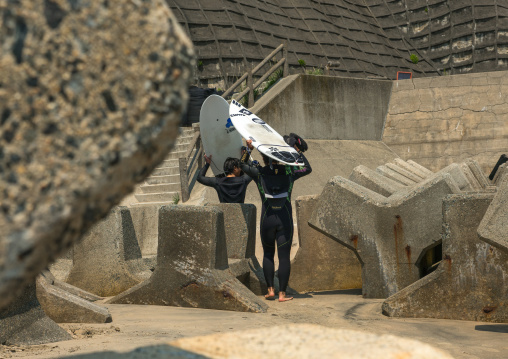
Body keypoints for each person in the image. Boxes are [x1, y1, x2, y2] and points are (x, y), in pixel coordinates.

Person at [239, 138, 312, 302]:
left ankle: (270, 290)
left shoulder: (259, 173)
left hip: (267, 220)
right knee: (284, 257)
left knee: (268, 254)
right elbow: (307, 168)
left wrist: (248, 149)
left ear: (264, 159)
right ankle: (282, 294)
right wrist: (296, 150)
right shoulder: (289, 173)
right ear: (280, 158)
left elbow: (242, 165)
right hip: (284, 220)